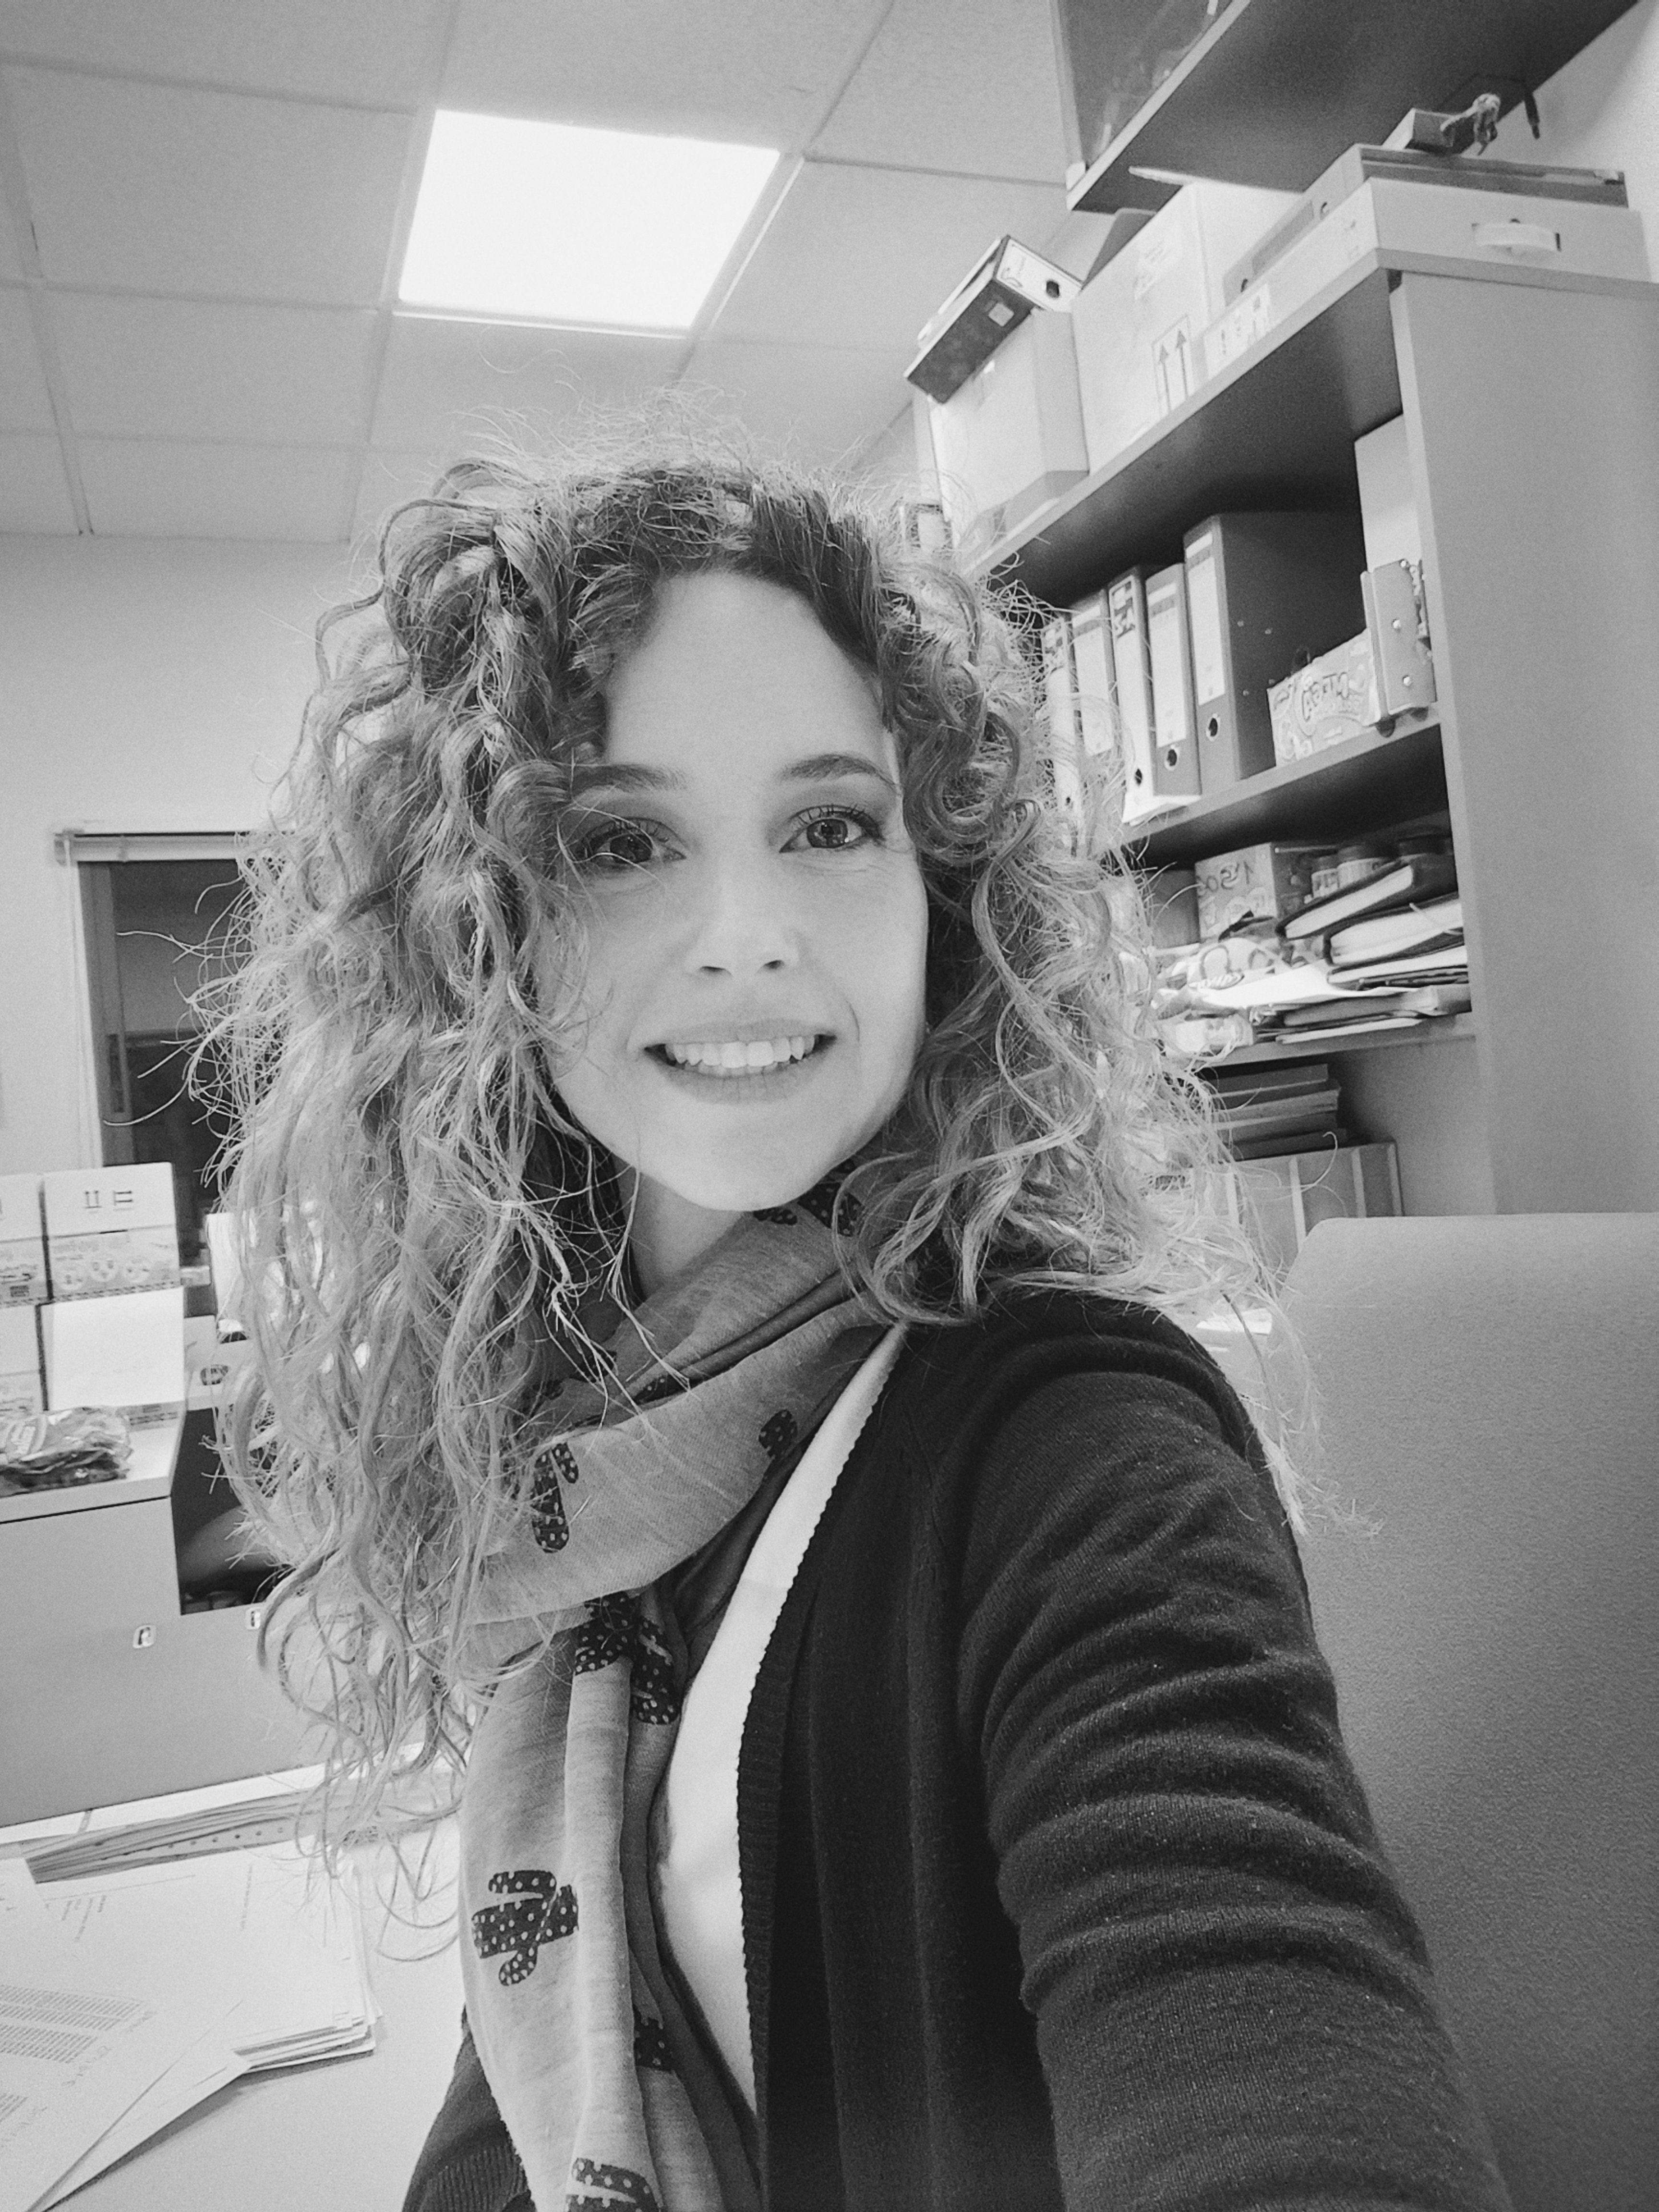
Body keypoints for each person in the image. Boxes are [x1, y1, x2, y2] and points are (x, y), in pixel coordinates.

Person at [207, 442, 1513, 2212]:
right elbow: (536, 2057)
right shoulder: (594, 1459)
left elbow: (1257, 2023)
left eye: (830, 825)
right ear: (480, 932)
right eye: (620, 842)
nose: (748, 937)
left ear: (938, 897)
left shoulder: (1076, 1448)